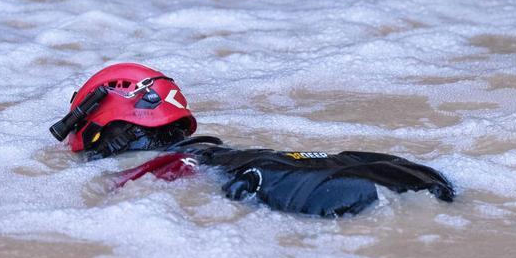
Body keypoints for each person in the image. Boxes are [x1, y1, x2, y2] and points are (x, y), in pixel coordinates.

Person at [49, 63, 455, 216]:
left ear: (103, 131)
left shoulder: (162, 167)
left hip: (284, 181)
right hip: (352, 165)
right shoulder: (206, 151)